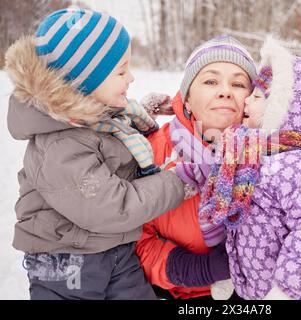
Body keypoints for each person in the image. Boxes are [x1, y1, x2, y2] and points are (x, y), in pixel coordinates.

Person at [5, 7, 185, 299]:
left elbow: (109, 141)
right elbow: (113, 208)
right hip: (67, 264)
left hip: (115, 251)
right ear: (83, 84)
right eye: (121, 71)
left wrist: (139, 115)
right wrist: (178, 181)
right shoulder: (60, 145)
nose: (131, 78)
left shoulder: (94, 119)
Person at [198, 38, 301, 300]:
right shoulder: (251, 154)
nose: (246, 102)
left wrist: (288, 291)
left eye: (256, 96)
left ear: (285, 109)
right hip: (256, 293)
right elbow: (243, 228)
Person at [135, 35, 257, 299]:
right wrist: (188, 269)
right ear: (187, 98)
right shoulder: (149, 151)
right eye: (210, 81)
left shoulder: (274, 145)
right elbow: (131, 240)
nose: (225, 91)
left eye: (238, 83)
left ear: (251, 99)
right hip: (178, 292)